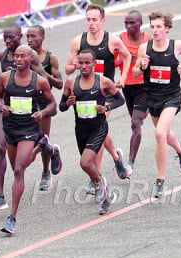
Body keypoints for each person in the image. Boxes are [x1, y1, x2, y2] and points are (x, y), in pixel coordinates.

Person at [65, 4, 131, 194]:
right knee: (100, 132)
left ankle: (97, 179)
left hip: (105, 93)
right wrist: (74, 64)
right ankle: (117, 158)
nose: (91, 23)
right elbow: (68, 69)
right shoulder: (78, 42)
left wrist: (123, 77)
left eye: (95, 19)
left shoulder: (112, 40)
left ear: (102, 20)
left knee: (97, 130)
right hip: (85, 94)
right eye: (88, 19)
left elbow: (127, 56)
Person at [0, 45, 62, 234]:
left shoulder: (39, 81)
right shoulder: (6, 78)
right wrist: (2, 107)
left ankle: (12, 218)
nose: (18, 59)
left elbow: (52, 103)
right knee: (16, 167)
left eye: (23, 56)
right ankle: (48, 147)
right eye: (16, 56)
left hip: (29, 128)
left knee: (19, 169)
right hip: (11, 128)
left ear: (31, 59)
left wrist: (42, 112)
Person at [0, 23, 48, 212]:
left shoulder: (31, 55)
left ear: (20, 37)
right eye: (5, 37)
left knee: (21, 164)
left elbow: (45, 79)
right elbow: (2, 82)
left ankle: (43, 146)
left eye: (11, 38)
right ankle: (0, 196)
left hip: (27, 115)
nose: (7, 41)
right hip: (7, 111)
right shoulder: (2, 55)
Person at [132, 12, 181, 198]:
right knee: (165, 133)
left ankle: (160, 180)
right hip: (153, 97)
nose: (155, 30)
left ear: (166, 28)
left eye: (159, 27)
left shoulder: (177, 46)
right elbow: (135, 73)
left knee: (159, 134)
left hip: (172, 97)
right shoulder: (145, 48)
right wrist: (141, 66)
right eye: (152, 27)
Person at [60, 49, 125, 215]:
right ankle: (107, 196)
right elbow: (61, 106)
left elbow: (120, 99)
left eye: (87, 63)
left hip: (99, 127)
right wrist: (68, 102)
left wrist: (106, 107)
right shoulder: (71, 83)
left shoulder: (103, 82)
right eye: (80, 63)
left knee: (85, 162)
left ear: (94, 64)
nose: (83, 66)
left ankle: (100, 183)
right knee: (89, 165)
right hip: (81, 129)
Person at [115, 10, 151, 178]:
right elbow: (112, 60)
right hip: (127, 88)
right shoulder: (120, 39)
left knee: (135, 123)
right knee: (134, 122)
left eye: (132, 23)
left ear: (140, 23)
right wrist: (120, 61)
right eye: (126, 23)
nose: (129, 27)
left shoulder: (148, 40)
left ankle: (130, 164)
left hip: (145, 88)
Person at [27, 25, 63, 190]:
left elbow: (60, 84)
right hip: (27, 103)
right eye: (28, 37)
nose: (30, 40)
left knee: (43, 139)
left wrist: (42, 72)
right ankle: (54, 151)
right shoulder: (24, 56)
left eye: (33, 36)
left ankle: (45, 172)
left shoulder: (50, 58)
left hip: (44, 103)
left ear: (42, 38)